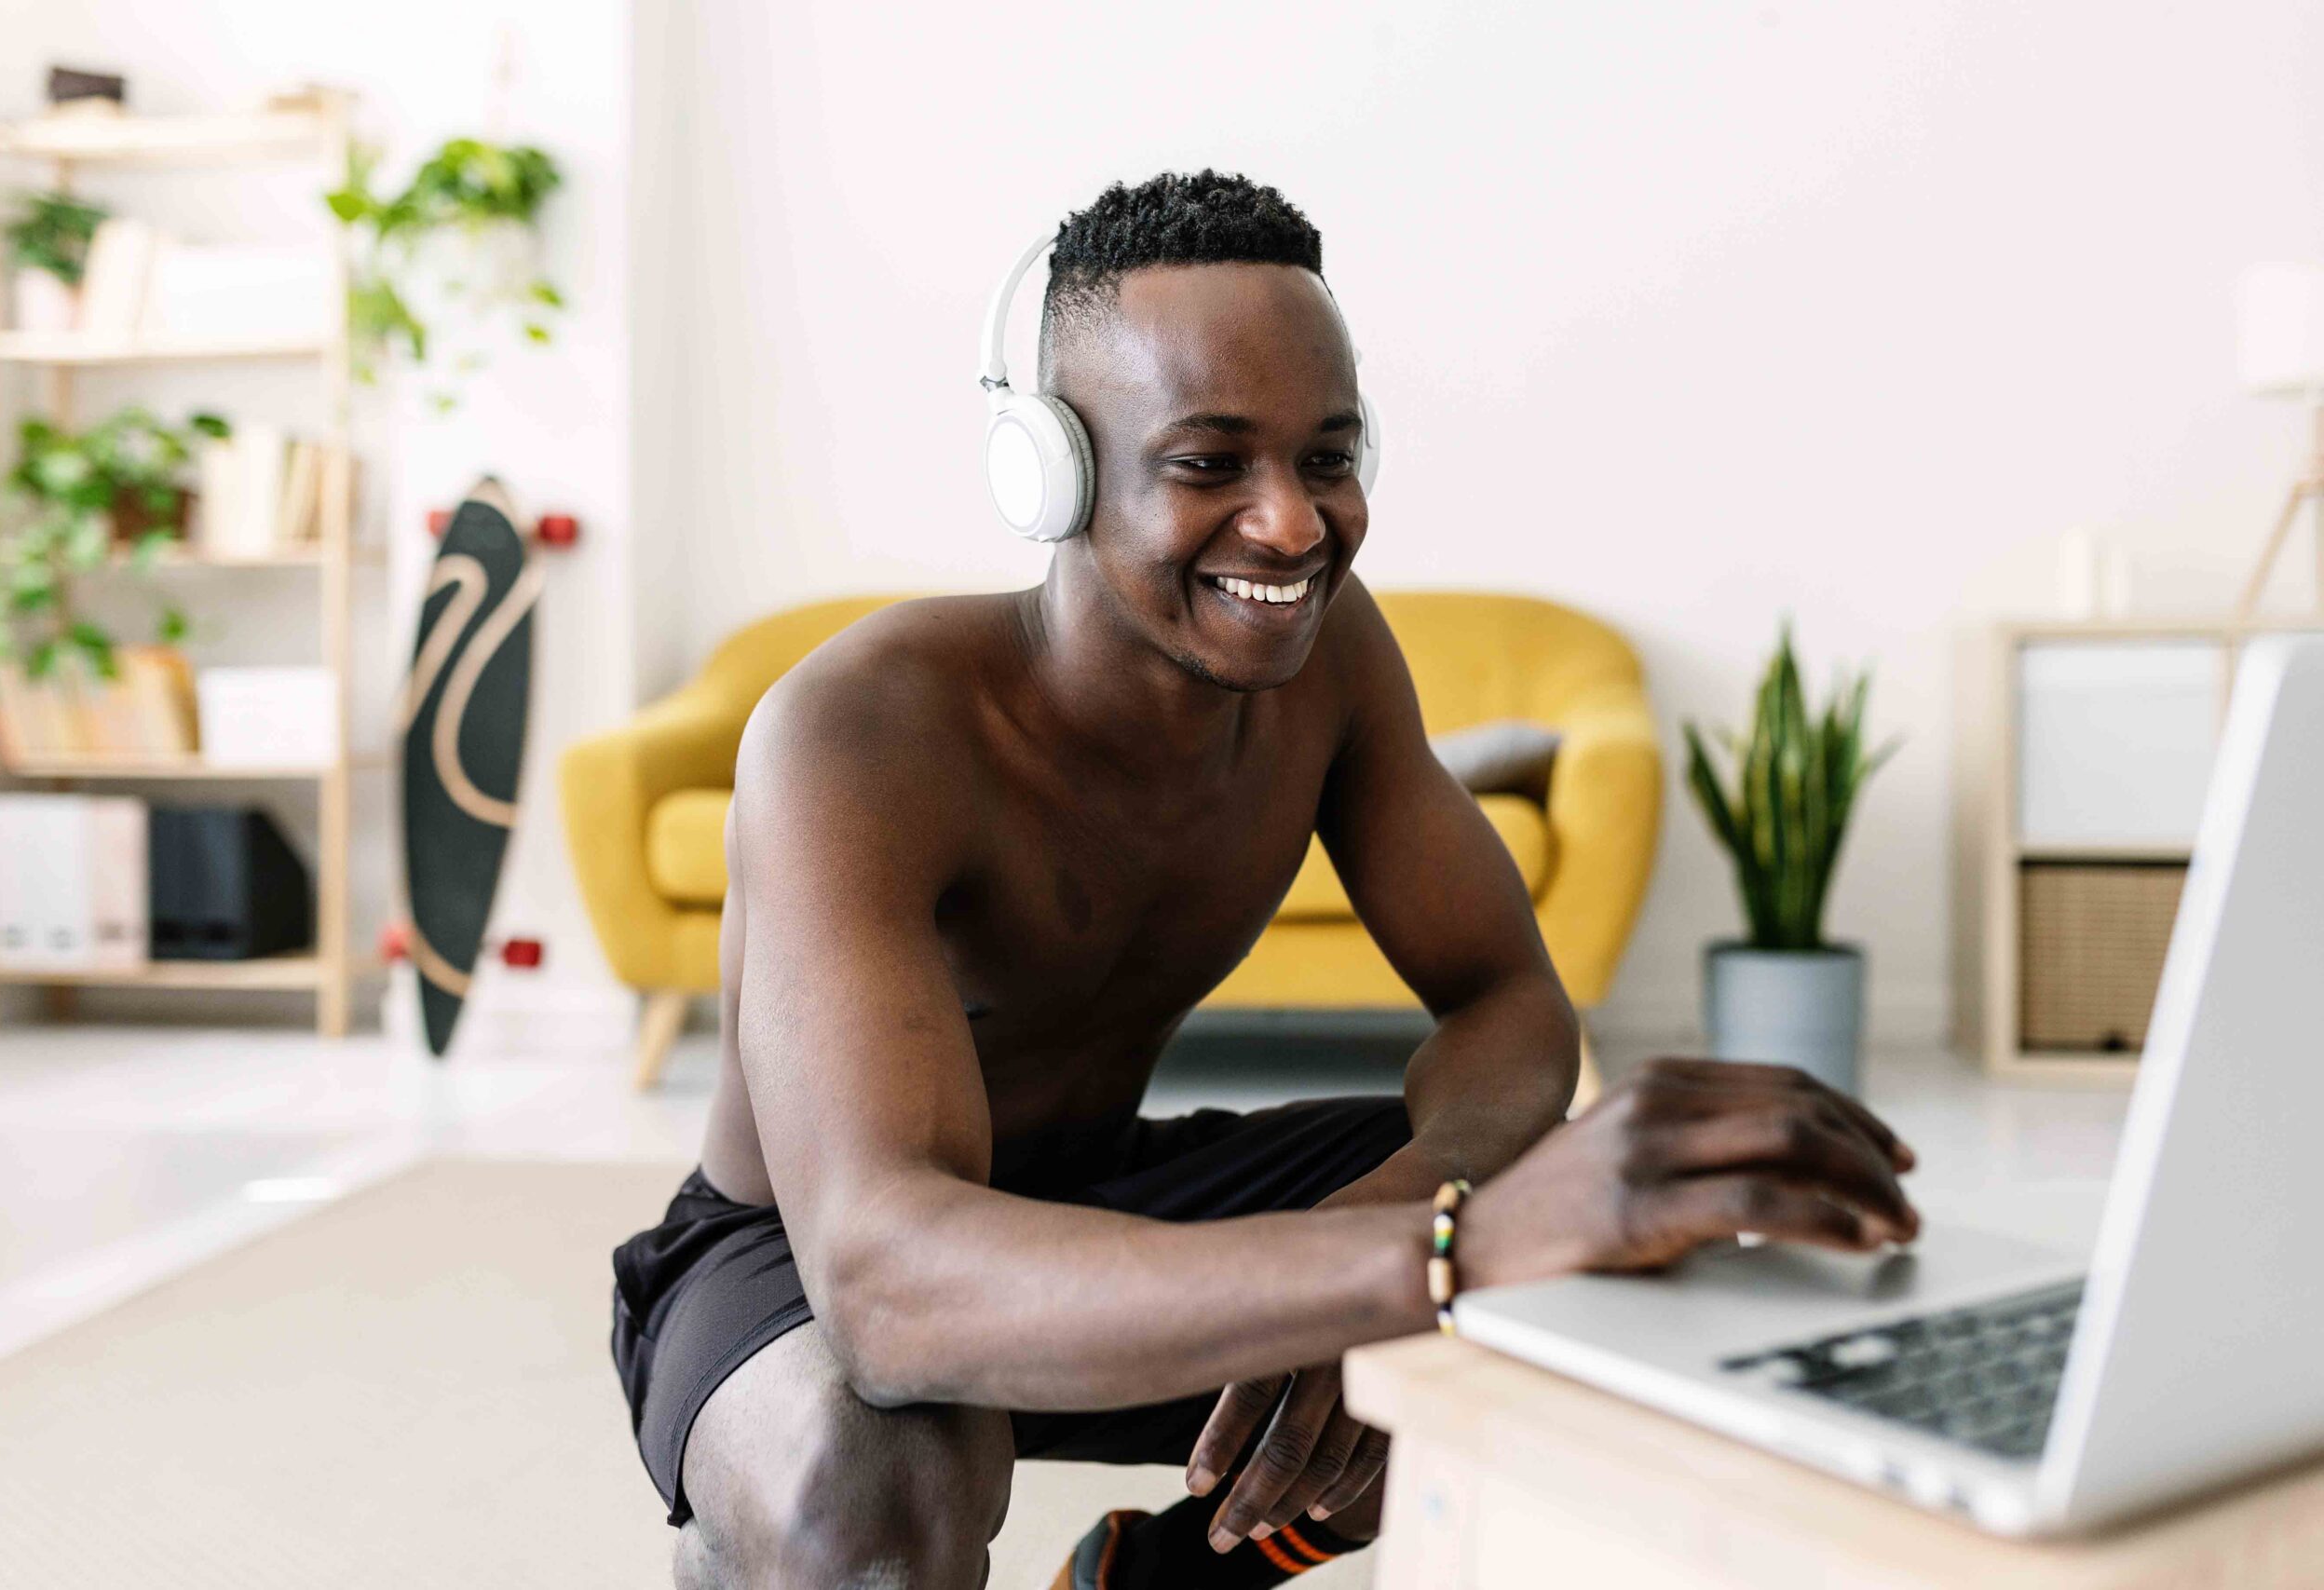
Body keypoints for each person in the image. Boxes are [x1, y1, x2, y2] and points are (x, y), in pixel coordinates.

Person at [609, 170, 1921, 1590]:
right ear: (1050, 470)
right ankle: (743, 1550)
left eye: (1328, 457)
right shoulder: (858, 734)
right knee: (891, 1482)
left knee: (1599, 1285)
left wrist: (1400, 1221)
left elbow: (1506, 1004)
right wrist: (1432, 1258)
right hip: (800, 1255)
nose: (1293, 525)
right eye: (1211, 463)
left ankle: (1163, 1576)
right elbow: (885, 1286)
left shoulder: (1333, 666)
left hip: (1102, 1195)